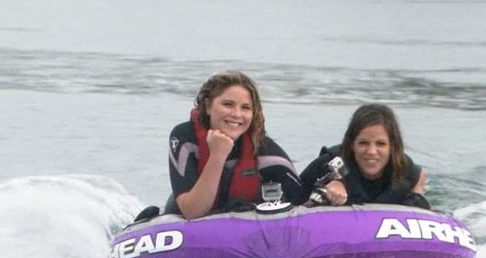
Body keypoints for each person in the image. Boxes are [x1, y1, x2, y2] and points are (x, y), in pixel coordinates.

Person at [166, 71, 304, 219]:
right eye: (228, 104)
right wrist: (218, 155)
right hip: (184, 229)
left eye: (245, 107)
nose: (237, 114)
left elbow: (302, 203)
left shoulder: (266, 152)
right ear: (207, 106)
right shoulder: (185, 138)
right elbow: (192, 212)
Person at [298, 103, 430, 210]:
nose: (372, 151)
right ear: (351, 144)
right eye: (363, 143)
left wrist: (417, 193)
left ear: (392, 147)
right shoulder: (326, 165)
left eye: (381, 144)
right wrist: (322, 194)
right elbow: (289, 203)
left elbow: (419, 177)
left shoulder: (405, 171)